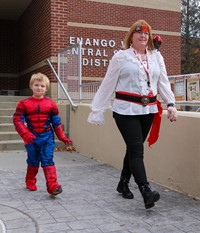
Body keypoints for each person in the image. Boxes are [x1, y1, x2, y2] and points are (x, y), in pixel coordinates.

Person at [87, 19, 177, 209]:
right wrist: (97, 108)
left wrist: (171, 103)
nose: (143, 36)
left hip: (148, 110)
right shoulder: (121, 57)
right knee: (137, 150)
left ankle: (123, 182)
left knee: (132, 148)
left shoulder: (156, 57)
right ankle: (146, 191)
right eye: (139, 33)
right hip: (125, 111)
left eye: (146, 33)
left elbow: (163, 81)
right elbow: (108, 83)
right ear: (131, 36)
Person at [13, 72, 72, 196]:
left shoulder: (51, 103)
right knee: (33, 161)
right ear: (31, 86)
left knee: (47, 160)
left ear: (46, 88)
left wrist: (61, 136)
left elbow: (56, 121)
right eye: (36, 85)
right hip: (31, 137)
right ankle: (30, 180)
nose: (39, 88)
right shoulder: (23, 103)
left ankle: (52, 186)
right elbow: (17, 119)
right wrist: (25, 134)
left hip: (47, 137)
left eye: (42, 86)